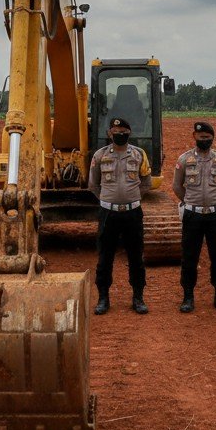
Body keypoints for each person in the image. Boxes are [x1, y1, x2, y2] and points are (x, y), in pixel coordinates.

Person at [88, 117, 152, 315]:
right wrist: (108, 200)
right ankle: (103, 298)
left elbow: (146, 183)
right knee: (105, 257)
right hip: (108, 214)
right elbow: (93, 184)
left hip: (132, 213)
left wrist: (132, 198)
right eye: (116, 131)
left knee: (135, 256)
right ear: (109, 133)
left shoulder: (140, 154)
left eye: (123, 131)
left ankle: (138, 297)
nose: (120, 134)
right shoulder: (99, 156)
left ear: (129, 133)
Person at [172, 122, 216, 313]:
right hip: (193, 216)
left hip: (215, 215)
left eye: (208, 137)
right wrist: (190, 202)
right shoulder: (184, 159)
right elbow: (177, 186)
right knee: (190, 256)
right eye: (201, 137)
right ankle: (188, 297)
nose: (204, 140)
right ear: (194, 136)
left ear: (212, 138)